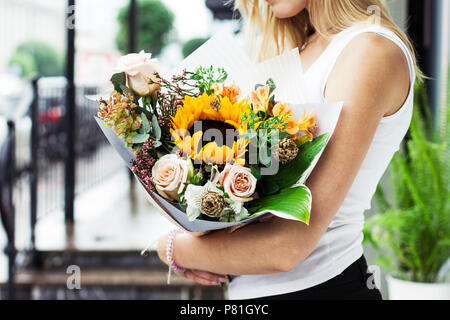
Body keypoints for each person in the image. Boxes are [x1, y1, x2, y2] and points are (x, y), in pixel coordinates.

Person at [157, 0, 419, 300]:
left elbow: (286, 246)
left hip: (322, 289)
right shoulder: (303, 49)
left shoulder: (369, 50)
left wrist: (171, 248)